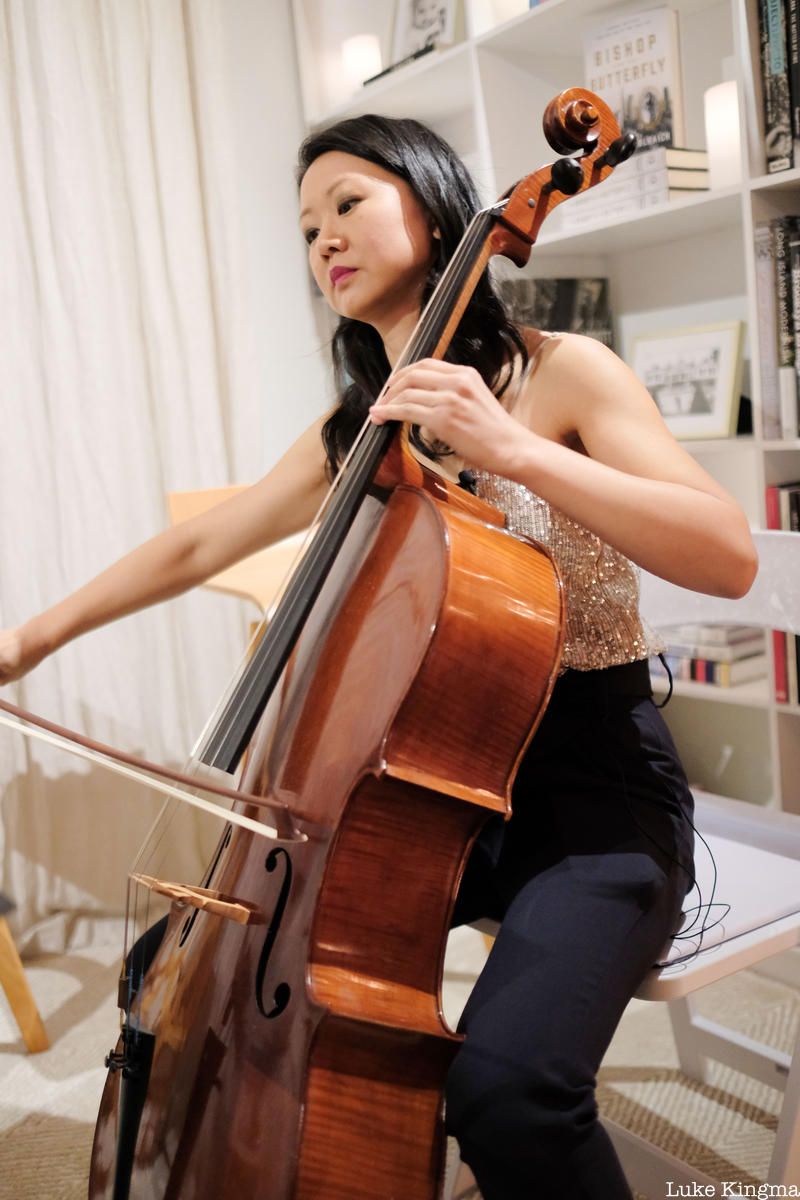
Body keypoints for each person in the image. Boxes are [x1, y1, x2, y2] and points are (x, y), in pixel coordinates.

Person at [0, 114, 756, 1198]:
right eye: (306, 228)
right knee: (169, 969)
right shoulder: (362, 432)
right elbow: (199, 542)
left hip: (597, 798)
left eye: (347, 204)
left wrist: (511, 448)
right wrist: (29, 638)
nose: (323, 242)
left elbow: (724, 556)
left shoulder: (563, 374)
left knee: (505, 1096)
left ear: (437, 206)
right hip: (421, 794)